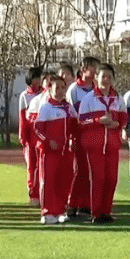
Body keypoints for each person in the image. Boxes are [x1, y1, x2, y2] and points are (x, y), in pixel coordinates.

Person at [77, 63, 128, 224]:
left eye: (109, 77)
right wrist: (99, 121)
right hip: (95, 146)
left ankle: (106, 211)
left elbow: (123, 118)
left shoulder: (117, 99)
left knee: (111, 179)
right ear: (96, 78)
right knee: (98, 179)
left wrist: (118, 125)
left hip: (112, 146)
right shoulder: (89, 99)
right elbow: (81, 122)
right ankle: (96, 213)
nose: (106, 80)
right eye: (103, 76)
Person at [34, 72, 79, 224]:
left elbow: (75, 128)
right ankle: (47, 212)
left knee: (64, 180)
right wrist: (48, 142)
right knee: (49, 181)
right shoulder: (47, 107)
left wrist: (73, 140)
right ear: (49, 89)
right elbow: (38, 129)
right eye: (56, 87)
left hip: (66, 152)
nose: (60, 90)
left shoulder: (69, 108)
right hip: (49, 152)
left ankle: (60, 210)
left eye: (62, 87)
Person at [67, 56, 101, 219]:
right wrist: (72, 137)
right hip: (80, 133)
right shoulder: (74, 89)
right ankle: (72, 203)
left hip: (95, 133)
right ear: (84, 69)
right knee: (80, 169)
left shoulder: (98, 88)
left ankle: (86, 204)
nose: (95, 71)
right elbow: (72, 115)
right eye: (93, 67)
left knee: (92, 170)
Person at [19, 66, 45, 206]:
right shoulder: (25, 96)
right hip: (30, 137)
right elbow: (23, 117)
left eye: (39, 77)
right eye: (35, 77)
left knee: (42, 165)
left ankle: (41, 192)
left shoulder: (46, 95)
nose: (37, 81)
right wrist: (23, 137)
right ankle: (32, 193)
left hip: (42, 137)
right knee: (32, 166)